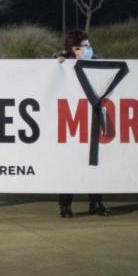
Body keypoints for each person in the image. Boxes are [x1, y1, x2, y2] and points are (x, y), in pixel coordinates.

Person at [55, 29, 109, 218]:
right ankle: (65, 205)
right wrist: (59, 63)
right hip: (69, 119)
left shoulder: (97, 62)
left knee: (95, 163)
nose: (88, 49)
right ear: (73, 48)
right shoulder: (62, 63)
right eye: (83, 46)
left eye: (88, 45)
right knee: (69, 163)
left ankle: (96, 202)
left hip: (91, 117)